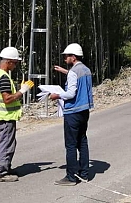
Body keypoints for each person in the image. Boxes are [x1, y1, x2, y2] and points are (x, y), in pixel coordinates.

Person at [49, 43, 94, 186]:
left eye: (66, 56)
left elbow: (70, 93)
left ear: (73, 57)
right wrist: (64, 71)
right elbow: (77, 80)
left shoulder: (74, 72)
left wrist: (57, 95)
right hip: (84, 111)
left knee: (71, 145)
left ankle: (71, 177)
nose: (65, 59)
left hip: (73, 112)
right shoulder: (86, 70)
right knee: (82, 142)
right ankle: (84, 174)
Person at [0, 46, 34, 183]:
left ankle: (6, 167)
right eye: (15, 63)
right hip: (5, 116)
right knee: (6, 143)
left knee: (7, 142)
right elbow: (7, 99)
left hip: (0, 115)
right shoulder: (3, 78)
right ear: (8, 62)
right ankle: (2, 172)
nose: (15, 66)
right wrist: (22, 91)